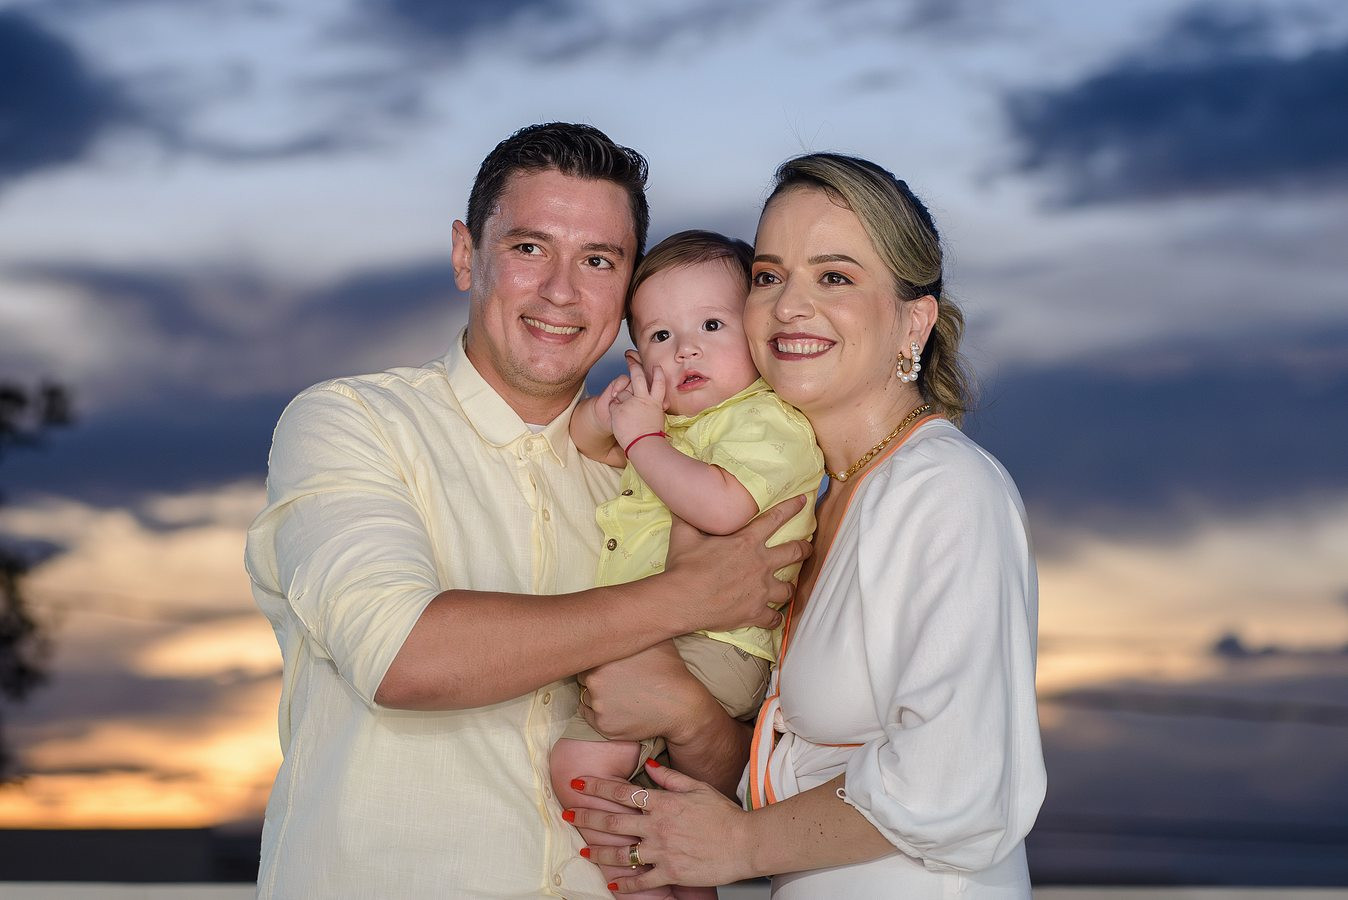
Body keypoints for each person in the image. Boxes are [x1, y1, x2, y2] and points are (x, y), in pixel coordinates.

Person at [243, 123, 811, 900]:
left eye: (598, 260)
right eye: (529, 248)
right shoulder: (352, 423)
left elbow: (733, 791)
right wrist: (684, 597)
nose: (561, 291)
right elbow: (403, 657)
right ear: (465, 254)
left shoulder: (661, 475)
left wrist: (689, 716)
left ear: (627, 289)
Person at [569, 153, 1047, 898]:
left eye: (835, 277)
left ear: (914, 321)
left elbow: (959, 783)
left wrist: (739, 845)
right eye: (769, 276)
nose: (790, 306)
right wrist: (687, 715)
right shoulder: (823, 502)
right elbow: (787, 777)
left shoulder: (944, 490)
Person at [550, 231, 824, 896]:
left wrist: (642, 437)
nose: (686, 349)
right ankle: (676, 880)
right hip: (667, 635)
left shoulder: (769, 421)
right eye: (661, 336)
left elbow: (723, 508)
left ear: (758, 336)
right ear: (638, 358)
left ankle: (640, 877)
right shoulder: (669, 425)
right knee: (663, 805)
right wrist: (613, 410)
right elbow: (585, 441)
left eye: (711, 325)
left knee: (581, 765)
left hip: (719, 643)